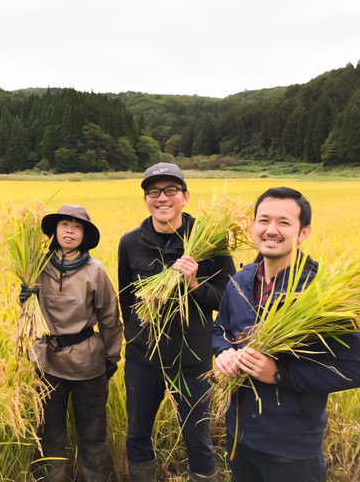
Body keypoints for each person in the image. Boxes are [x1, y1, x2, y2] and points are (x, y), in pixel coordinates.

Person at [212, 187, 360, 482]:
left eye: (284, 222)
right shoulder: (238, 282)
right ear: (253, 226)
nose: (271, 230)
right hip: (240, 438)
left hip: (291, 449)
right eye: (264, 220)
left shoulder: (322, 295)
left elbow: (358, 370)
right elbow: (220, 329)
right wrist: (223, 352)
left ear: (303, 233)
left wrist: (280, 374)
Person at [118, 162, 236, 482]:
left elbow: (230, 302)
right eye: (154, 192)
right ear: (146, 200)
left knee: (198, 439)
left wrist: (195, 283)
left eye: (171, 190)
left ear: (185, 196)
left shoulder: (210, 241)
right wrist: (135, 338)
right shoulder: (130, 243)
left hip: (192, 360)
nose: (162, 198)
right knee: (138, 434)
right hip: (143, 359)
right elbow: (126, 299)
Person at [23, 204, 122, 482]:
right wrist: (23, 298)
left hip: (88, 363)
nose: (70, 230)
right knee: (50, 432)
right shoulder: (36, 268)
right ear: (55, 230)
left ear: (84, 235)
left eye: (77, 226)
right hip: (48, 362)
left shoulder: (95, 271)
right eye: (65, 224)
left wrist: (111, 359)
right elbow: (27, 315)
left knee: (92, 433)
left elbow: (110, 317)